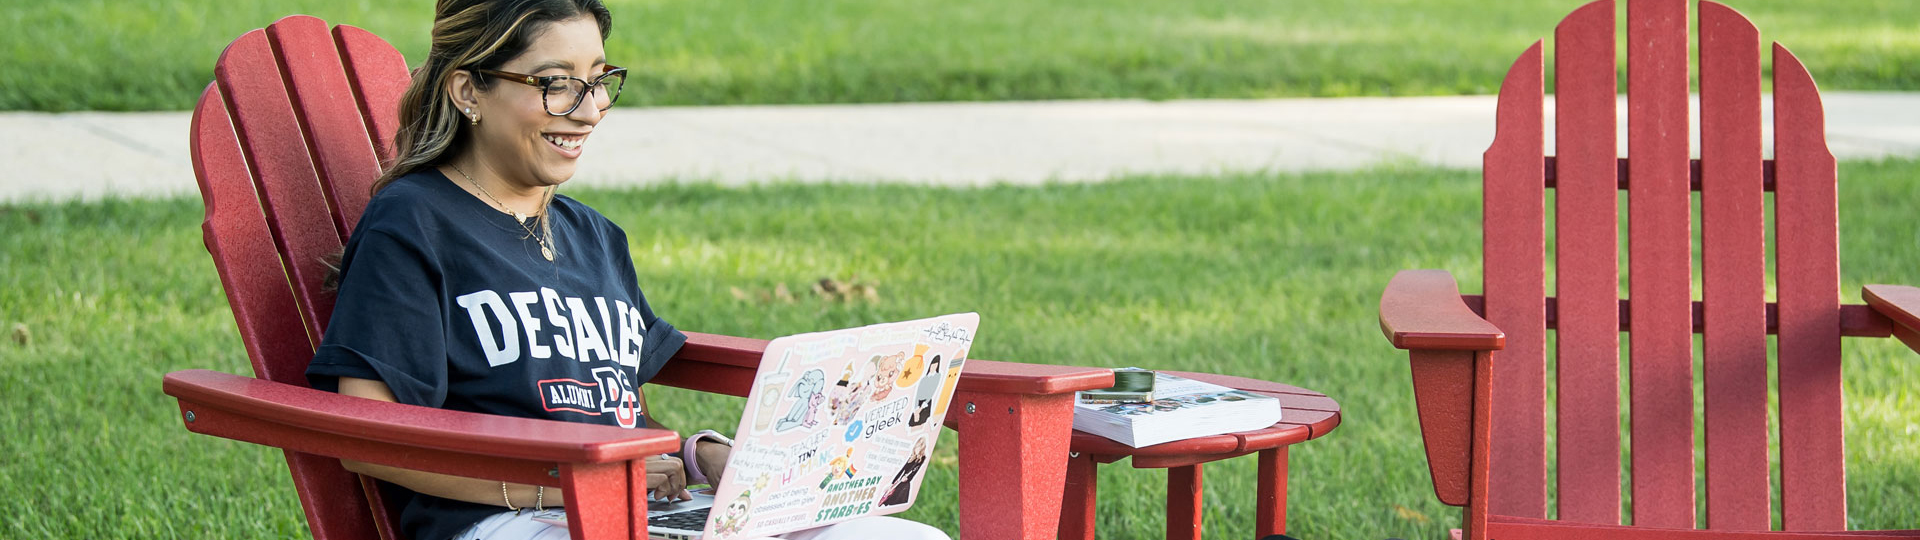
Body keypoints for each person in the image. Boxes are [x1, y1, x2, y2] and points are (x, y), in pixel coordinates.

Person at [304, 1, 950, 539]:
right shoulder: (415, 223)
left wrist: (704, 458)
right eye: (556, 83)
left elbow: (613, 409)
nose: (588, 110)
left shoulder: (593, 235)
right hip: (506, 518)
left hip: (636, 509)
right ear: (470, 89)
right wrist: (548, 489)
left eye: (598, 80)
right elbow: (368, 435)